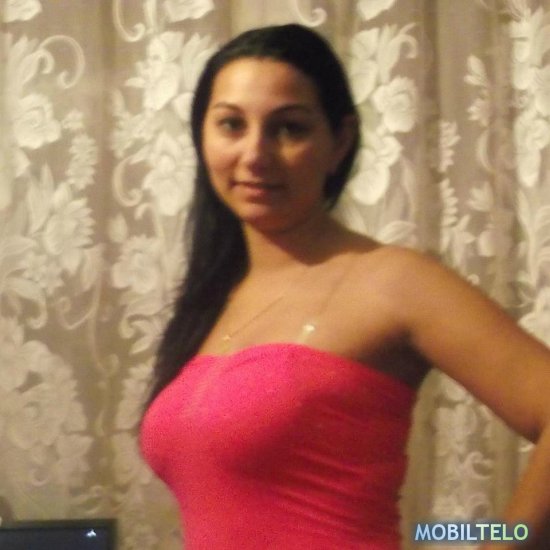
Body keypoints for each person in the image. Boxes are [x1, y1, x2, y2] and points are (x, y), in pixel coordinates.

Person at [140, 24, 550, 549]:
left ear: (340, 142)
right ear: (201, 137)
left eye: (289, 128)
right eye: (231, 125)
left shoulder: (392, 280)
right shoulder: (214, 299)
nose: (255, 153)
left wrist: (498, 539)